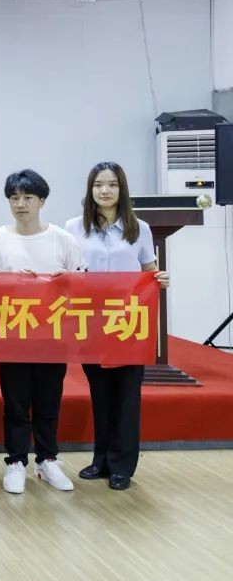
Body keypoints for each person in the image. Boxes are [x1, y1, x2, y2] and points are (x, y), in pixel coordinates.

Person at [0, 169, 84, 495]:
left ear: (42, 201)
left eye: (27, 197)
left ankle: (47, 459)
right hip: (12, 333)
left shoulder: (63, 239)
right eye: (14, 198)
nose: (20, 204)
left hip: (52, 334)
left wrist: (65, 281)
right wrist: (6, 282)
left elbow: (82, 285)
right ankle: (16, 462)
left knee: (49, 400)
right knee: (15, 402)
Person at [65, 161, 169, 491]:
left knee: (126, 395)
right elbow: (66, 270)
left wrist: (160, 278)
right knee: (100, 393)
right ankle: (101, 459)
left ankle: (123, 464)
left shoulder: (139, 227)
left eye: (111, 184)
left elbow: (149, 270)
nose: (105, 190)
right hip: (92, 322)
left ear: (121, 189)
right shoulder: (74, 227)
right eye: (98, 185)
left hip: (128, 324)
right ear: (90, 189)